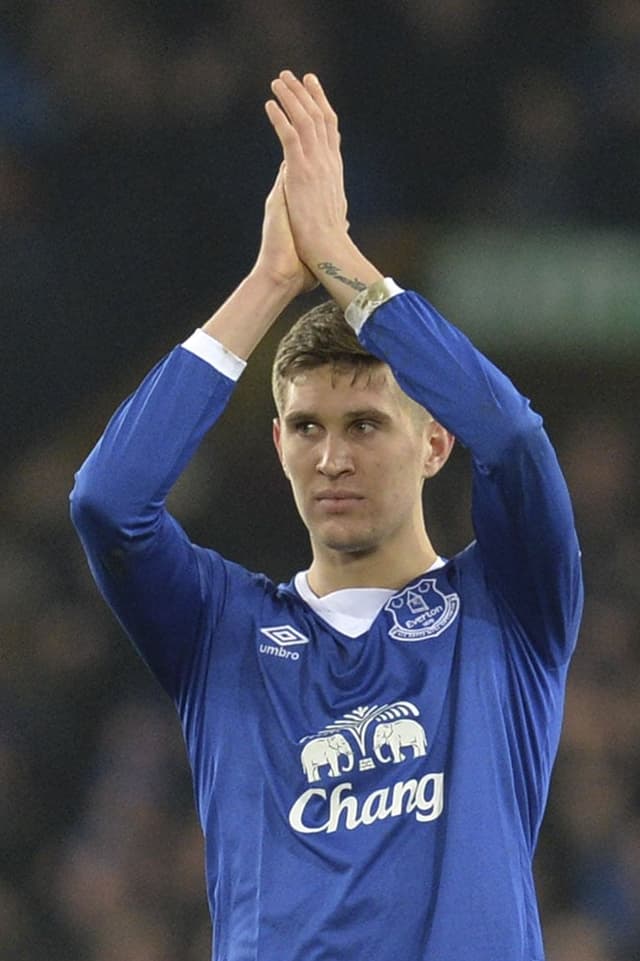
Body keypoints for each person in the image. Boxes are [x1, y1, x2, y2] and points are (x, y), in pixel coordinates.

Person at [70, 70, 583, 961]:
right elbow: (109, 504)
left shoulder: (510, 604)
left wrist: (342, 261)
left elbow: (512, 436)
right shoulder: (221, 630)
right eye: (306, 426)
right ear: (278, 446)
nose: (332, 455)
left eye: (366, 425)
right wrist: (272, 278)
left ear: (433, 445)